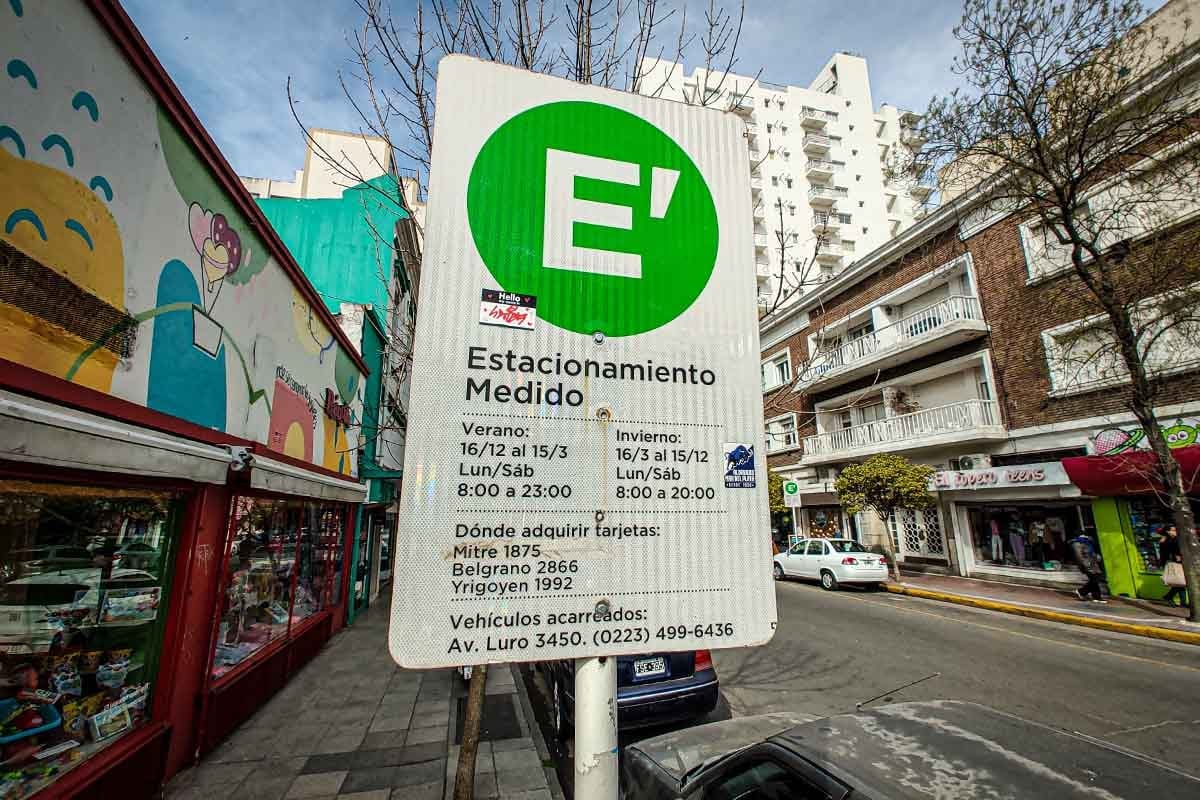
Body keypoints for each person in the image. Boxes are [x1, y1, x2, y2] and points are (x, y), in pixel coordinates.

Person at [1069, 533, 1105, 603]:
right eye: (1084, 535)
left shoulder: (1087, 542)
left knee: (1095, 580)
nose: (1087, 537)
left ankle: (1096, 597)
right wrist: (1086, 565)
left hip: (1093, 564)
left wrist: (1097, 557)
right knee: (1095, 578)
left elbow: (1090, 553)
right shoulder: (1076, 543)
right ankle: (1082, 591)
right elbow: (1079, 557)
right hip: (1086, 565)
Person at [1159, 525, 1188, 607]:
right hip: (1174, 563)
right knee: (1181, 582)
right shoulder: (1166, 540)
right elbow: (1166, 552)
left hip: (1178, 562)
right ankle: (1169, 597)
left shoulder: (1173, 539)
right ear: (1168, 531)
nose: (1175, 531)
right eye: (1173, 530)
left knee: (1181, 583)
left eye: (1175, 530)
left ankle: (1181, 602)